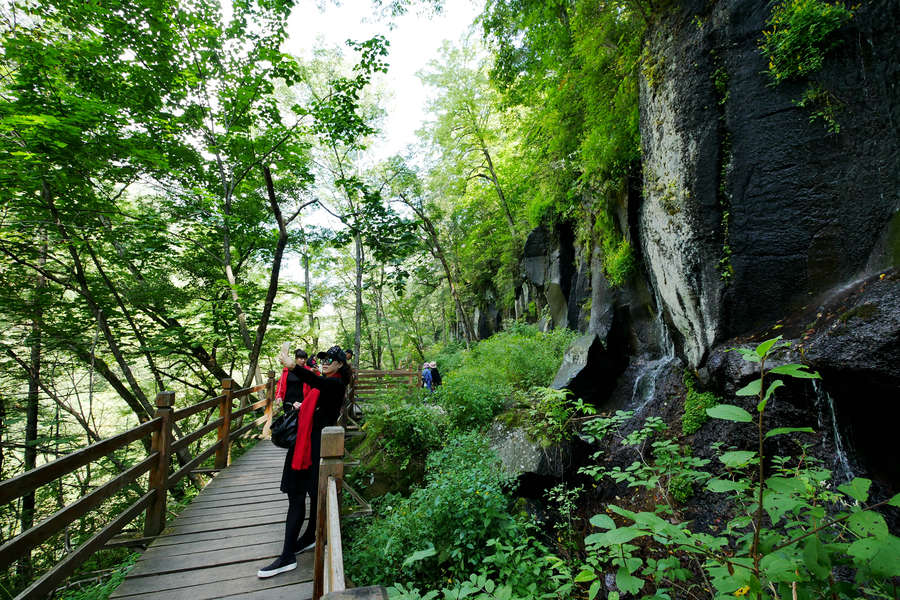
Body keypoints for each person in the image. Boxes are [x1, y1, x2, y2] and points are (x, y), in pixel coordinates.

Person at [257, 345, 351, 578]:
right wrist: (303, 405)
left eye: (331, 359)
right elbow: (317, 395)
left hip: (314, 448)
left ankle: (287, 556)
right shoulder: (324, 382)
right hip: (306, 444)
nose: (326, 361)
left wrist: (293, 366)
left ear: (340, 364)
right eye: (323, 358)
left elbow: (318, 383)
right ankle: (308, 537)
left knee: (299, 495)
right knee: (302, 494)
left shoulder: (336, 383)